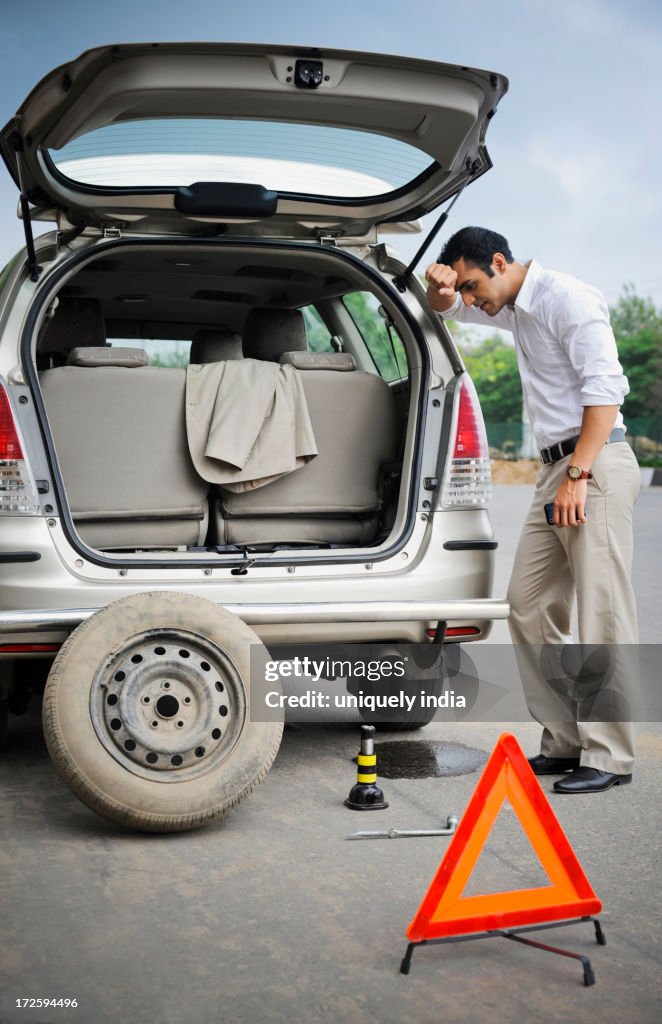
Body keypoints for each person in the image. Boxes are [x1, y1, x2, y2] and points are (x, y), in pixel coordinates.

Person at [425, 226, 640, 794]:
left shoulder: (568, 298)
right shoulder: (510, 304)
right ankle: (565, 739)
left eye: (474, 284)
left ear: (500, 261)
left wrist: (577, 475)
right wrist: (440, 288)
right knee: (528, 604)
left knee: (601, 611)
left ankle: (610, 754)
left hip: (593, 464)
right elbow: (448, 312)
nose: (473, 300)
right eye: (467, 290)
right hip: (555, 470)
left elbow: (606, 391)